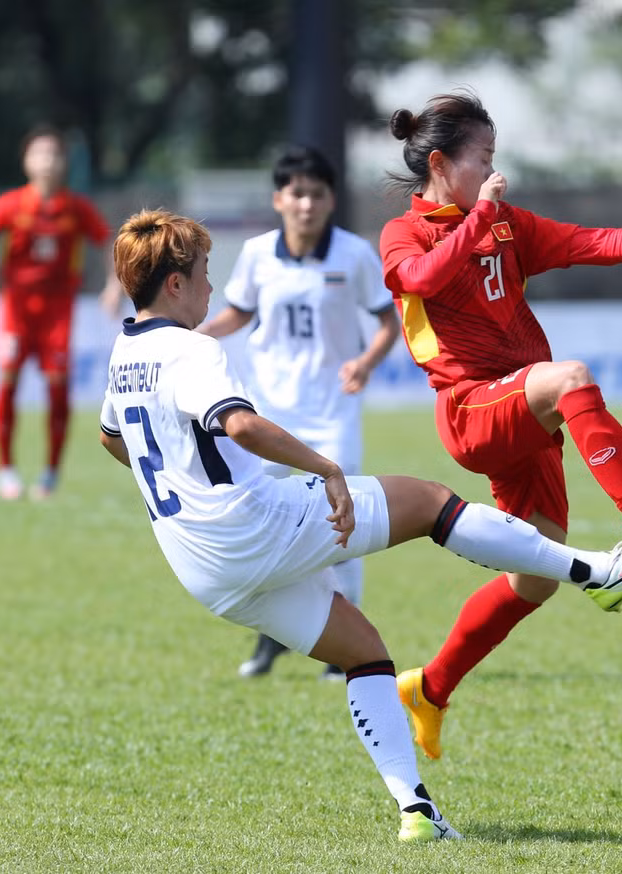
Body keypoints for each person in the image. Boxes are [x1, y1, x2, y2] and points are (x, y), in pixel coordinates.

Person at [100, 208, 622, 842]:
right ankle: (599, 573)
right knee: (429, 501)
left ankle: (417, 811)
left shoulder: (124, 352)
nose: (212, 287)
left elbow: (114, 439)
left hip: (198, 565)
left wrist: (182, 480)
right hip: (249, 527)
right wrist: (326, 468)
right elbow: (238, 423)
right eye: (206, 273)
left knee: (366, 653)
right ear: (176, 284)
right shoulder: (192, 348)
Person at [378, 91, 622, 761]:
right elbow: (424, 278)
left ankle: (429, 688)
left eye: (493, 158)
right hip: (471, 409)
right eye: (482, 157)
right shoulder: (407, 234)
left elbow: (595, 244)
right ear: (440, 161)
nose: (492, 169)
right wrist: (482, 212)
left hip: (520, 411)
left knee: (536, 577)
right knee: (570, 377)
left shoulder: (505, 223)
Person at [195, 145, 400, 680]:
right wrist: (192, 336)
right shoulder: (260, 254)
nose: (306, 204)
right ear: (278, 199)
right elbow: (238, 313)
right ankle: (270, 637)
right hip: (269, 414)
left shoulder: (353, 255)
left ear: (331, 199)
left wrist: (366, 361)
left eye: (316, 193)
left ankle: (343, 646)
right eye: (296, 193)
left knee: (345, 523)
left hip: (333, 412)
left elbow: (387, 322)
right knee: (259, 515)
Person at [0, 123, 123, 501]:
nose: (47, 161)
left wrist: (113, 285)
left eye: (53, 154)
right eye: (40, 153)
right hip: (17, 310)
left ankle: (50, 473)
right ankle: (5, 470)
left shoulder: (76, 209)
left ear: (63, 163)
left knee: (57, 389)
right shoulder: (12, 204)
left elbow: (109, 243)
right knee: (7, 381)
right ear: (26, 162)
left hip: (57, 312)